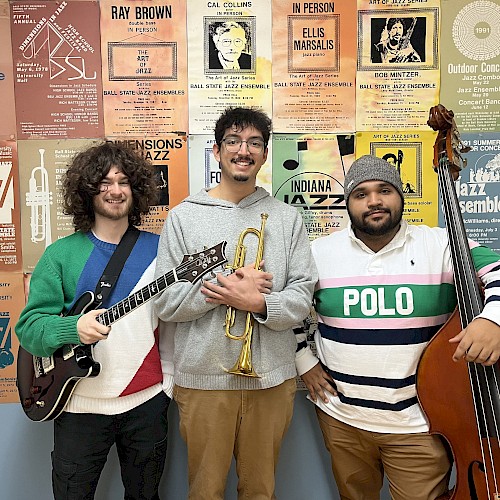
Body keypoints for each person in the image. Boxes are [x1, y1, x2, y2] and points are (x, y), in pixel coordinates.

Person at [296, 155, 500, 500]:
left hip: (420, 426)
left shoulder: (440, 243)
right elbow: (291, 312)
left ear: (400, 196)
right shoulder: (318, 252)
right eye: (361, 194)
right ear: (347, 204)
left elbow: (496, 272)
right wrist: (305, 361)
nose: (374, 201)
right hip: (343, 419)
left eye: (384, 190)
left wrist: (492, 318)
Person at [154, 107, 317, 499]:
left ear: (264, 153)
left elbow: (302, 297)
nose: (243, 150)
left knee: (260, 491)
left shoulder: (287, 218)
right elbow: (166, 302)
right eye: (233, 141)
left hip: (272, 382)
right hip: (204, 382)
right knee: (205, 492)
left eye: (254, 143)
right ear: (216, 150)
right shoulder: (183, 217)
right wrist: (226, 291)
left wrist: (259, 304)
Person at [15, 142, 172, 500]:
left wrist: (169, 386)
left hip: (146, 404)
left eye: (123, 181)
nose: (115, 191)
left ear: (136, 190)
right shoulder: (61, 255)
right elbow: (30, 330)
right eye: (104, 182)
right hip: (78, 407)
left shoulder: (161, 250)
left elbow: (176, 322)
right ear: (86, 191)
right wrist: (74, 328)